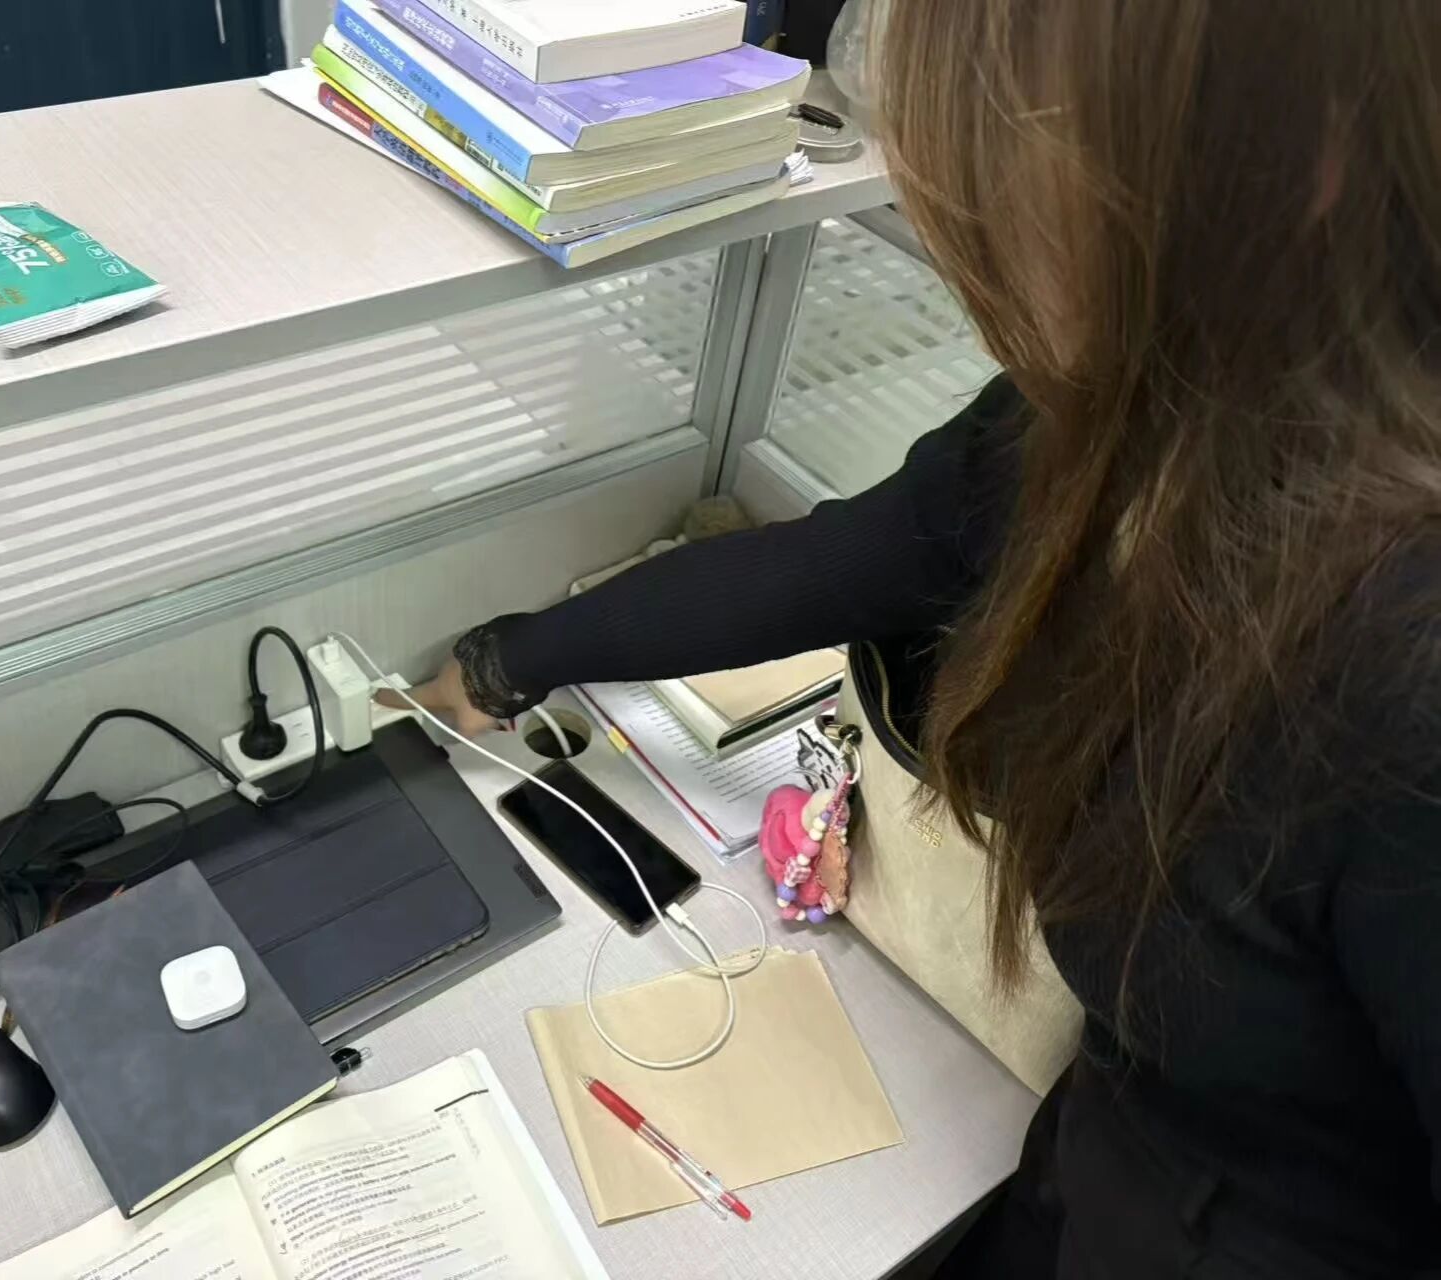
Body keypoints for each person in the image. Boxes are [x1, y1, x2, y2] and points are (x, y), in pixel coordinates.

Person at [393, 2, 1441, 1274]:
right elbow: (818, 568)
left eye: (1016, 156)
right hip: (1095, 1163)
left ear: (1301, 151)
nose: (959, 240)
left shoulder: (1402, 666)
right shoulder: (1120, 428)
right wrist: (509, 661)